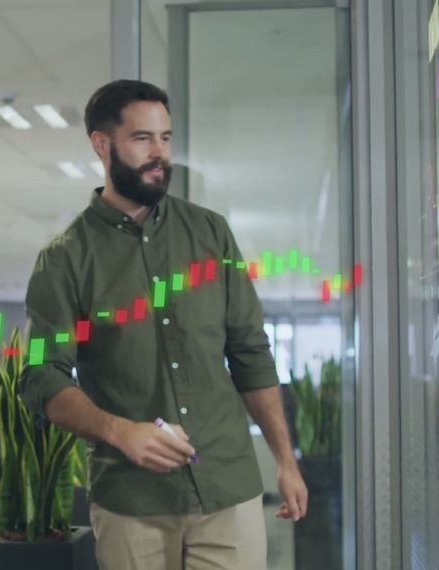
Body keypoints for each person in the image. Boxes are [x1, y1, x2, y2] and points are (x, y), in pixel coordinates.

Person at [19, 79, 308, 570]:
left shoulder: (211, 233)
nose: (159, 154)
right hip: (131, 499)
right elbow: (42, 377)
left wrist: (285, 459)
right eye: (142, 139)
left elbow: (250, 352)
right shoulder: (66, 258)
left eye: (166, 138)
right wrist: (121, 431)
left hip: (227, 486)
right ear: (102, 144)